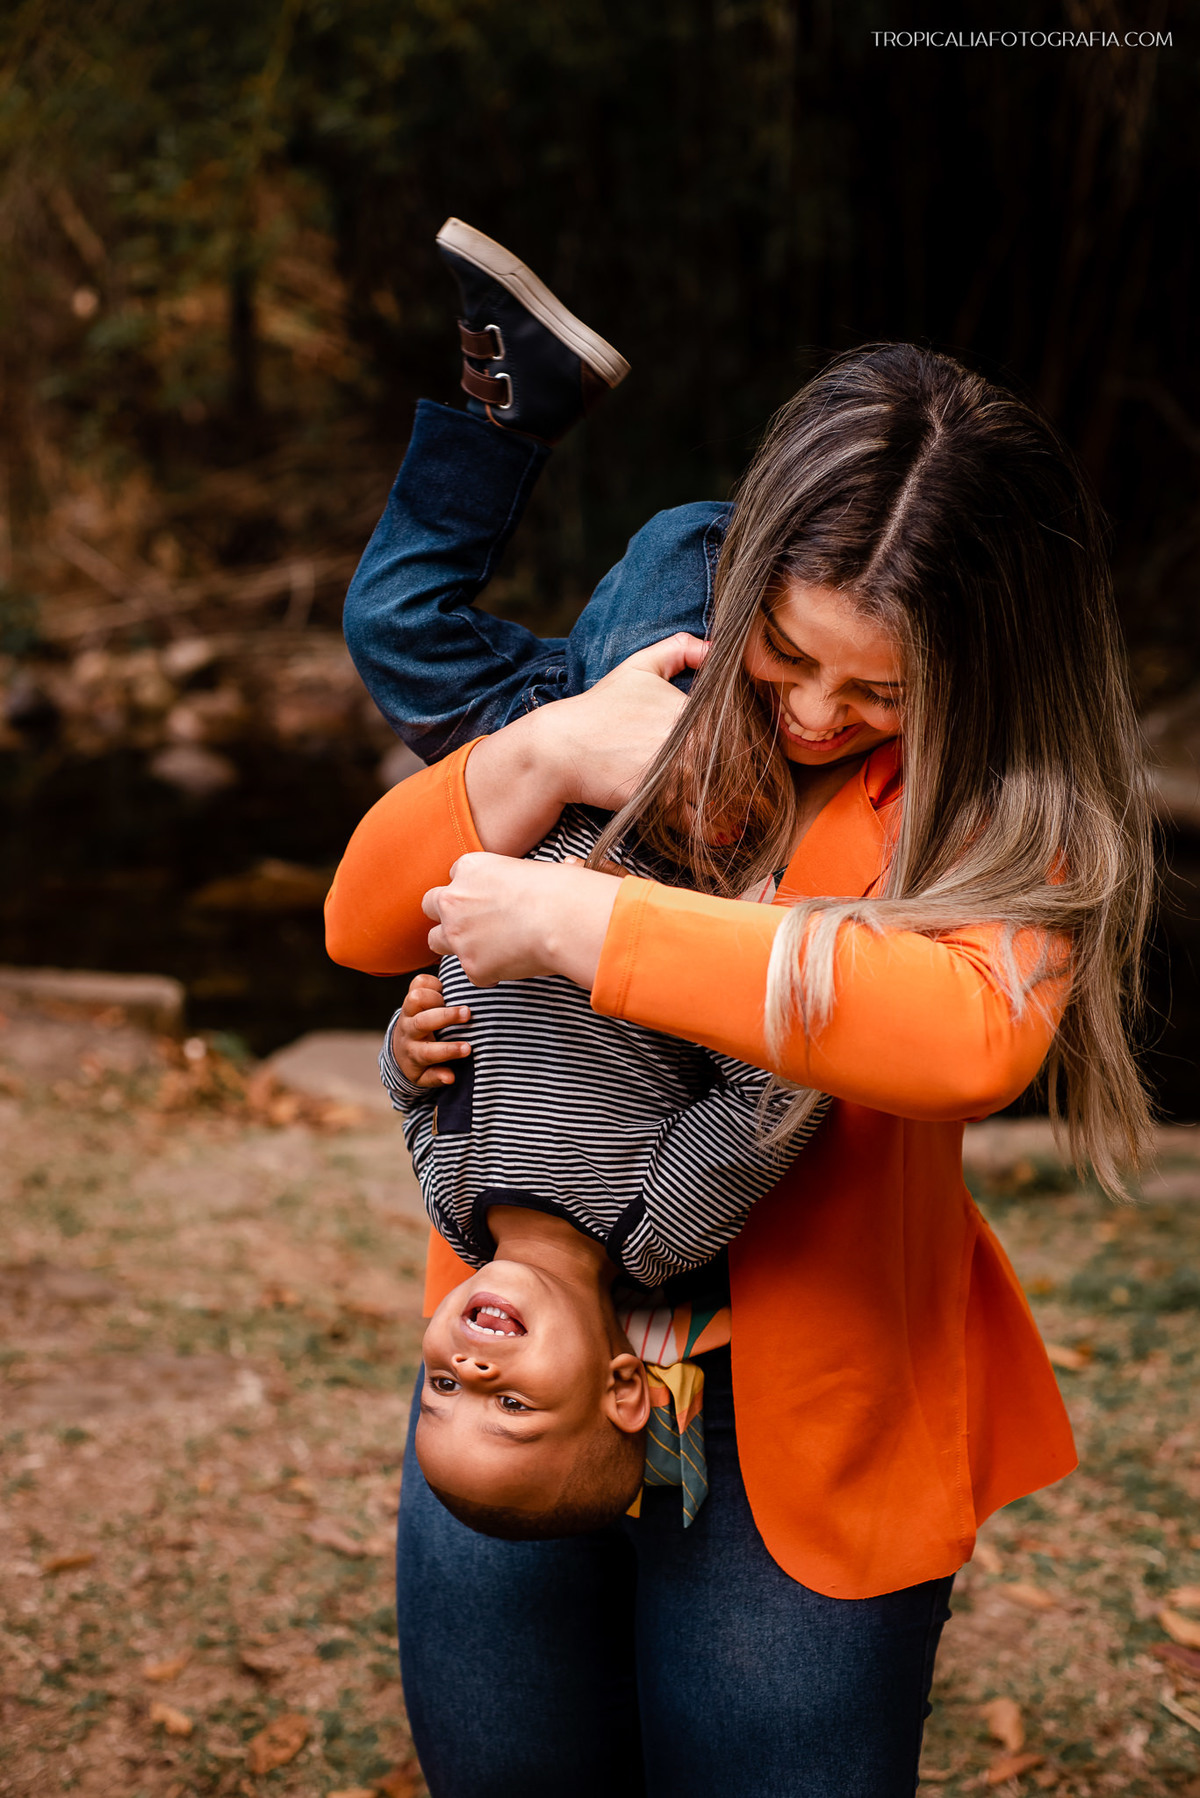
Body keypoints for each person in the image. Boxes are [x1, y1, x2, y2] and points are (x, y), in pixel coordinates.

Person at [326, 228, 1154, 1797]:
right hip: (531, 1413)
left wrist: (589, 918)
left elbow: (967, 1037)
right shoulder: (652, 687)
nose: (815, 716)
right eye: (787, 654)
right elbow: (362, 918)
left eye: (882, 691)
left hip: (814, 1437)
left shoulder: (1000, 801)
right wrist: (548, 751)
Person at [380, 795, 827, 1541]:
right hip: (681, 841)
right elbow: (779, 1084)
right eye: (512, 1408)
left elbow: (410, 1099)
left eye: (444, 1386)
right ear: (622, 1389)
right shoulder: (658, 1227)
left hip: (529, 815)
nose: (472, 1370)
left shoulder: (455, 1208)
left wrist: (406, 1048)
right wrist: (613, 931)